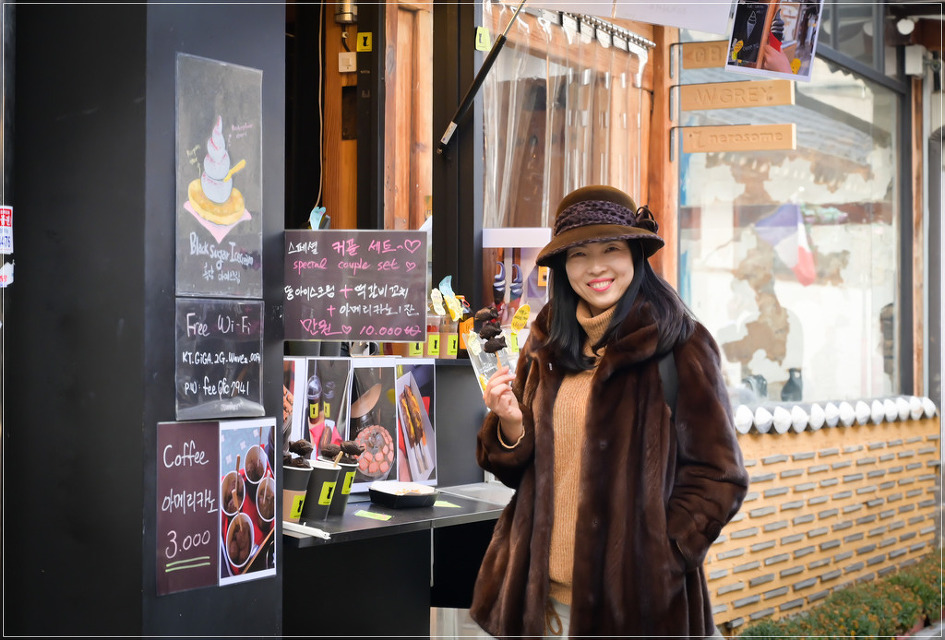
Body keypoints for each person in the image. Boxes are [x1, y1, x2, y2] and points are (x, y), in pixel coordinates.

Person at [470, 185, 749, 638]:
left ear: (635, 254)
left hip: (637, 610)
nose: (596, 267)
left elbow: (720, 475)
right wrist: (510, 423)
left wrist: (666, 553)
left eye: (611, 249)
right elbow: (518, 472)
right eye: (579, 254)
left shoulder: (680, 344)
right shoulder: (546, 342)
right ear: (563, 266)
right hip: (540, 604)